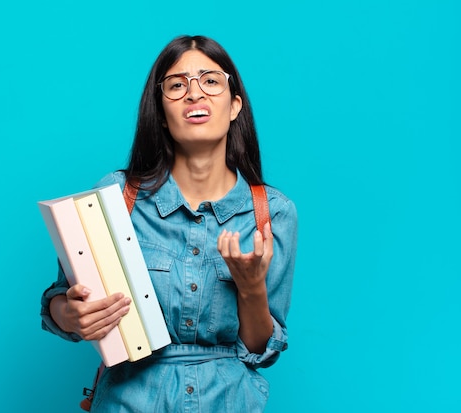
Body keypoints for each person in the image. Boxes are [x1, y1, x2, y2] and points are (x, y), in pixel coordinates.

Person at [40, 35, 297, 412]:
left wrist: (252, 288)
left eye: (210, 81)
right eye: (177, 85)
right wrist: (70, 314)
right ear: (161, 111)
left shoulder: (272, 213)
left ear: (234, 105)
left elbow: (261, 351)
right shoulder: (116, 195)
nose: (195, 94)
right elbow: (59, 301)